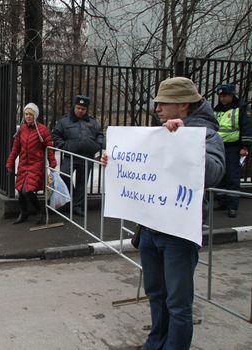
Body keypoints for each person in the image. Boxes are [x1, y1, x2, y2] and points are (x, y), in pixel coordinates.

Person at [103, 77, 225, 350]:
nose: (157, 108)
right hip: (150, 230)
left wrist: (184, 140)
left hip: (178, 235)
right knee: (156, 293)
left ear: (183, 105)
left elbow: (215, 172)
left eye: (163, 102)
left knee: (178, 303)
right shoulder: (159, 133)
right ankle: (156, 342)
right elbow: (144, 171)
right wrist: (113, 161)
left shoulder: (205, 134)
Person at [52, 95, 104, 216]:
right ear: (74, 107)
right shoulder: (64, 121)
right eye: (78, 108)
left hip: (87, 157)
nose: (80, 110)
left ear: (86, 109)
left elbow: (100, 134)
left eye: (83, 109)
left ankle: (77, 206)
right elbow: (55, 135)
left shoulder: (92, 121)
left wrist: (98, 145)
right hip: (70, 156)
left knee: (82, 182)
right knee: (64, 176)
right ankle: (73, 198)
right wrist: (63, 146)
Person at [6, 102, 57, 224]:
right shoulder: (21, 130)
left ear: (35, 115)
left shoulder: (42, 130)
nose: (28, 116)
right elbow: (15, 148)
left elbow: (49, 148)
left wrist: (52, 163)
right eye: (26, 114)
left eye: (30, 114)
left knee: (27, 191)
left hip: (36, 165)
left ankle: (39, 212)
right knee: (20, 191)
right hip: (23, 164)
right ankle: (23, 213)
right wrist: (10, 162)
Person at [213, 84, 252, 218]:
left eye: (225, 96)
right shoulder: (217, 109)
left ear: (231, 95)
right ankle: (222, 202)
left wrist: (244, 146)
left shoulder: (240, 108)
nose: (222, 99)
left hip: (233, 147)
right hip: (219, 146)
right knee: (220, 175)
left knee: (232, 176)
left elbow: (246, 127)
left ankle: (232, 206)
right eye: (221, 96)